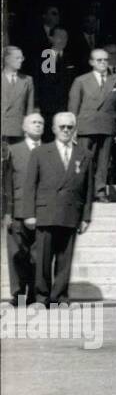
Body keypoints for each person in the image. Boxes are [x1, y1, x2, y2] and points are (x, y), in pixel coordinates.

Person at [17, 111, 93, 306]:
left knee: (64, 260)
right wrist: (29, 214)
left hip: (70, 213)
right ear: (53, 129)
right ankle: (42, 298)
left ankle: (59, 297)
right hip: (45, 213)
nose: (66, 130)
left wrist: (86, 218)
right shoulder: (41, 152)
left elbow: (88, 189)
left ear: (75, 129)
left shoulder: (84, 154)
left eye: (70, 127)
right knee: (42, 260)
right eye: (62, 127)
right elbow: (30, 186)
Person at [66, 48, 116, 202]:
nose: (103, 63)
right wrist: (72, 128)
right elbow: (73, 106)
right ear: (91, 62)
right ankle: (81, 193)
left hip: (107, 126)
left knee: (103, 162)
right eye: (99, 60)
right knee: (84, 161)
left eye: (105, 60)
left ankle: (99, 192)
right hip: (86, 126)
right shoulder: (81, 80)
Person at [2, 112, 44, 304]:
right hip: (17, 210)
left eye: (40, 123)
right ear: (24, 127)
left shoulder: (50, 150)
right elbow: (7, 182)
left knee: (38, 256)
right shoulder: (13, 150)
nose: (37, 125)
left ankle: (35, 293)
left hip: (42, 211)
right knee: (16, 255)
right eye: (33, 122)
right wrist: (7, 212)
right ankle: (18, 294)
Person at [33, 27, 75, 123]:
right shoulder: (45, 56)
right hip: (47, 108)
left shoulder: (71, 57)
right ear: (51, 38)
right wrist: (36, 105)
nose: (63, 40)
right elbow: (39, 82)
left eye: (65, 37)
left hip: (66, 107)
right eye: (59, 37)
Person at [2, 46, 36, 146]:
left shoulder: (27, 80)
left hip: (18, 130)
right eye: (17, 58)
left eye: (22, 58)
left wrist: (29, 129)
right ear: (7, 59)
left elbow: (30, 108)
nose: (21, 60)